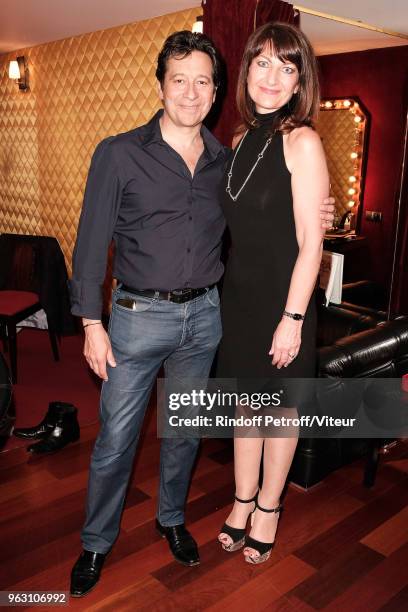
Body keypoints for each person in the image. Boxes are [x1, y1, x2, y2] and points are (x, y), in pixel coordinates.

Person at [69, 30, 334, 597]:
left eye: (202, 82)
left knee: (186, 432)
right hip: (139, 317)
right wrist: (91, 322)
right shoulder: (123, 153)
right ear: (162, 85)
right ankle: (95, 543)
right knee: (116, 438)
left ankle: (173, 520)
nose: (190, 92)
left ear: (216, 91)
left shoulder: (226, 154)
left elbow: (295, 223)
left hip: (209, 316)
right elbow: (91, 243)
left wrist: (320, 218)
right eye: (179, 79)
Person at [217, 22, 329, 564]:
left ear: (299, 82)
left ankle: (268, 506)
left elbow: (312, 244)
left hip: (284, 302)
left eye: (288, 68)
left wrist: (293, 317)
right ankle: (240, 501)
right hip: (236, 298)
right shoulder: (238, 139)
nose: (273, 77)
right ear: (247, 70)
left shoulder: (302, 140)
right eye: (263, 62)